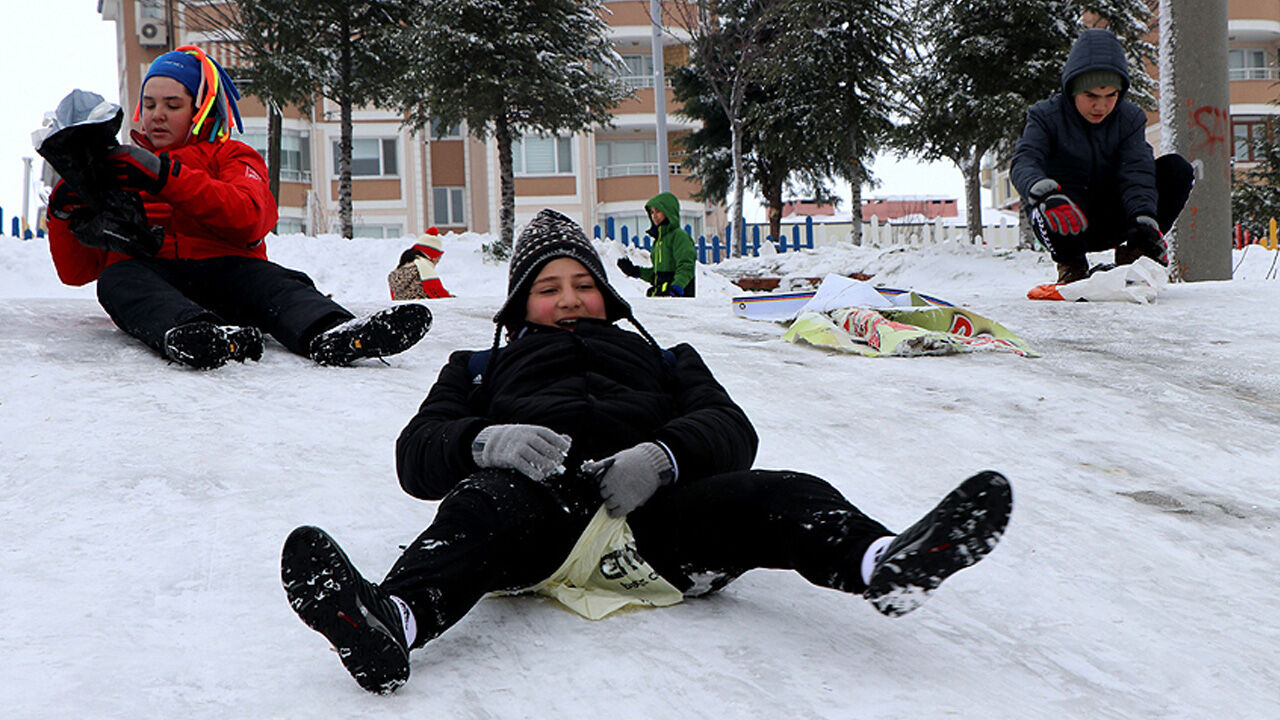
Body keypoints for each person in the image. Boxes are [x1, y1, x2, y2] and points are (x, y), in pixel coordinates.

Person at [279, 208, 1013, 694]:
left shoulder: (667, 360)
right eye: (546, 288)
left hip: (662, 528)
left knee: (781, 490)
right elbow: (418, 456)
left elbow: (732, 431)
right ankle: (393, 621)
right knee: (480, 505)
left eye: (582, 285)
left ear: (607, 296)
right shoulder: (479, 367)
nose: (568, 299)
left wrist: (662, 456)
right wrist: (484, 440)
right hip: (541, 522)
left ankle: (883, 562)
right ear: (517, 306)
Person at [42, 46, 431, 369]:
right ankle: (199, 335)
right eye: (149, 103)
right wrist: (65, 213)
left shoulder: (232, 155)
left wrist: (164, 175)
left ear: (201, 109)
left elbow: (249, 217)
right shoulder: (118, 168)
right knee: (118, 280)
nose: (157, 114)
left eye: (173, 104)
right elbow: (78, 274)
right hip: (160, 285)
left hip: (230, 275)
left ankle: (335, 333)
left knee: (275, 281)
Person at [1011, 28, 1195, 285]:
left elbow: (1137, 171)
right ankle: (1070, 264)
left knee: (1177, 169)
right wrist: (1040, 190)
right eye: (1091, 96)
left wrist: (1145, 218)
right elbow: (1025, 159)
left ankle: (1137, 253)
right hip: (1065, 218)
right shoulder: (1045, 116)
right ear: (1073, 90)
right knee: (1043, 203)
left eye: (1111, 96)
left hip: (1113, 216)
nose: (1101, 106)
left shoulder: (1130, 119)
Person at [615, 191, 697, 297]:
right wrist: (635, 271)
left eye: (658, 211)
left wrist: (676, 287)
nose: (654, 216)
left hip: (679, 299)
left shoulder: (679, 236)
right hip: (662, 297)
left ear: (668, 211)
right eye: (652, 212)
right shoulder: (658, 241)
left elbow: (686, 266)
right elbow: (657, 275)